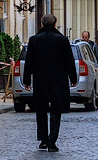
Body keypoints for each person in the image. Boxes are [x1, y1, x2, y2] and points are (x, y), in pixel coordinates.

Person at [21, 12, 76, 152]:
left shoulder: (34, 40)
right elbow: (69, 61)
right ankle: (52, 141)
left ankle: (43, 140)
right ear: (55, 24)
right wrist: (73, 78)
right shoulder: (62, 40)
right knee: (56, 110)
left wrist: (26, 80)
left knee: (41, 109)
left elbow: (29, 62)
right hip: (58, 80)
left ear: (42, 24)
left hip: (40, 80)